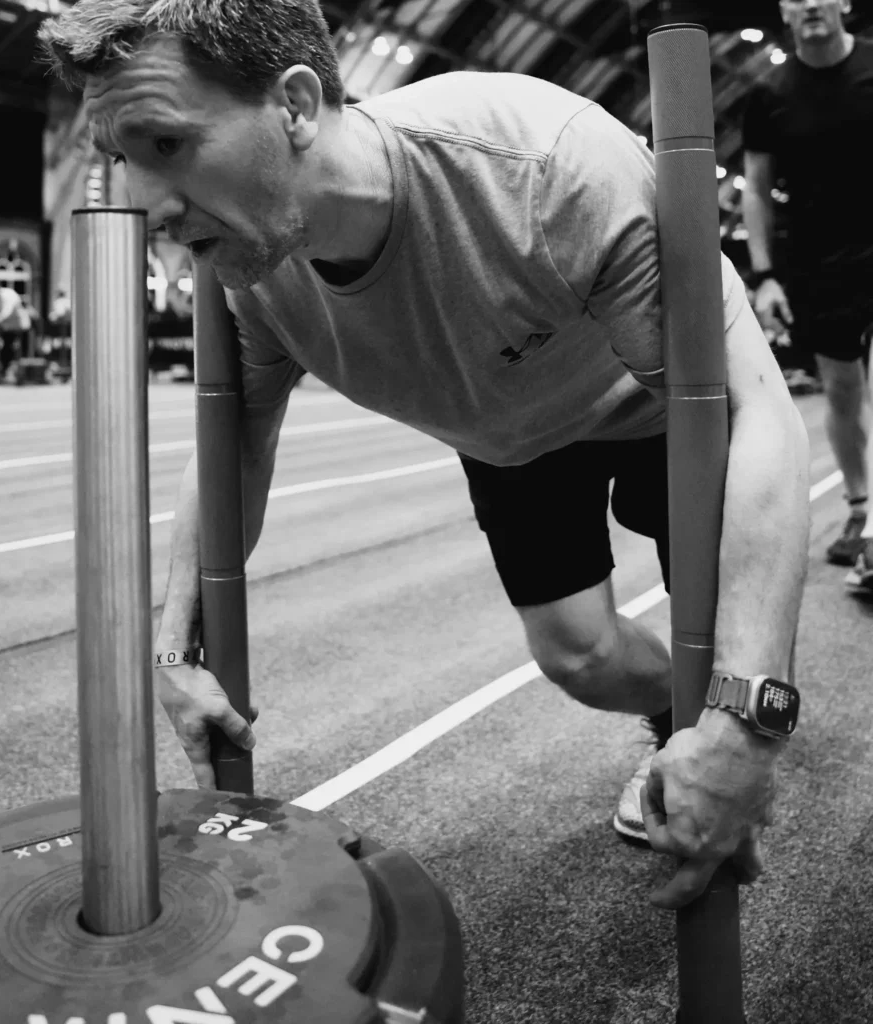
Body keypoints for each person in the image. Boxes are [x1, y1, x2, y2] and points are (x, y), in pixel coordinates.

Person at [39, 0, 811, 911]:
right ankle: (671, 714)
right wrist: (173, 650)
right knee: (579, 658)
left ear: (293, 105)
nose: (146, 205)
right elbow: (230, 444)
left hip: (658, 408)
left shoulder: (545, 166)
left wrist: (745, 719)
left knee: (725, 654)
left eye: (165, 144)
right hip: (508, 431)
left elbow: (763, 411)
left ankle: (705, 716)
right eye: (121, 159)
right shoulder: (247, 265)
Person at [742, 0, 873, 591]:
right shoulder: (769, 93)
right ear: (785, 11)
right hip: (819, 265)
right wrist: (765, 275)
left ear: (845, 3)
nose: (812, 3)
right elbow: (757, 191)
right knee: (843, 391)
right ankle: (860, 504)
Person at [0, 283, 32, 384]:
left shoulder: (8, 294)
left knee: (17, 351)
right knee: (7, 350)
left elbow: (8, 310)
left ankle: (18, 374)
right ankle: (6, 372)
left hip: (18, 326)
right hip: (8, 327)